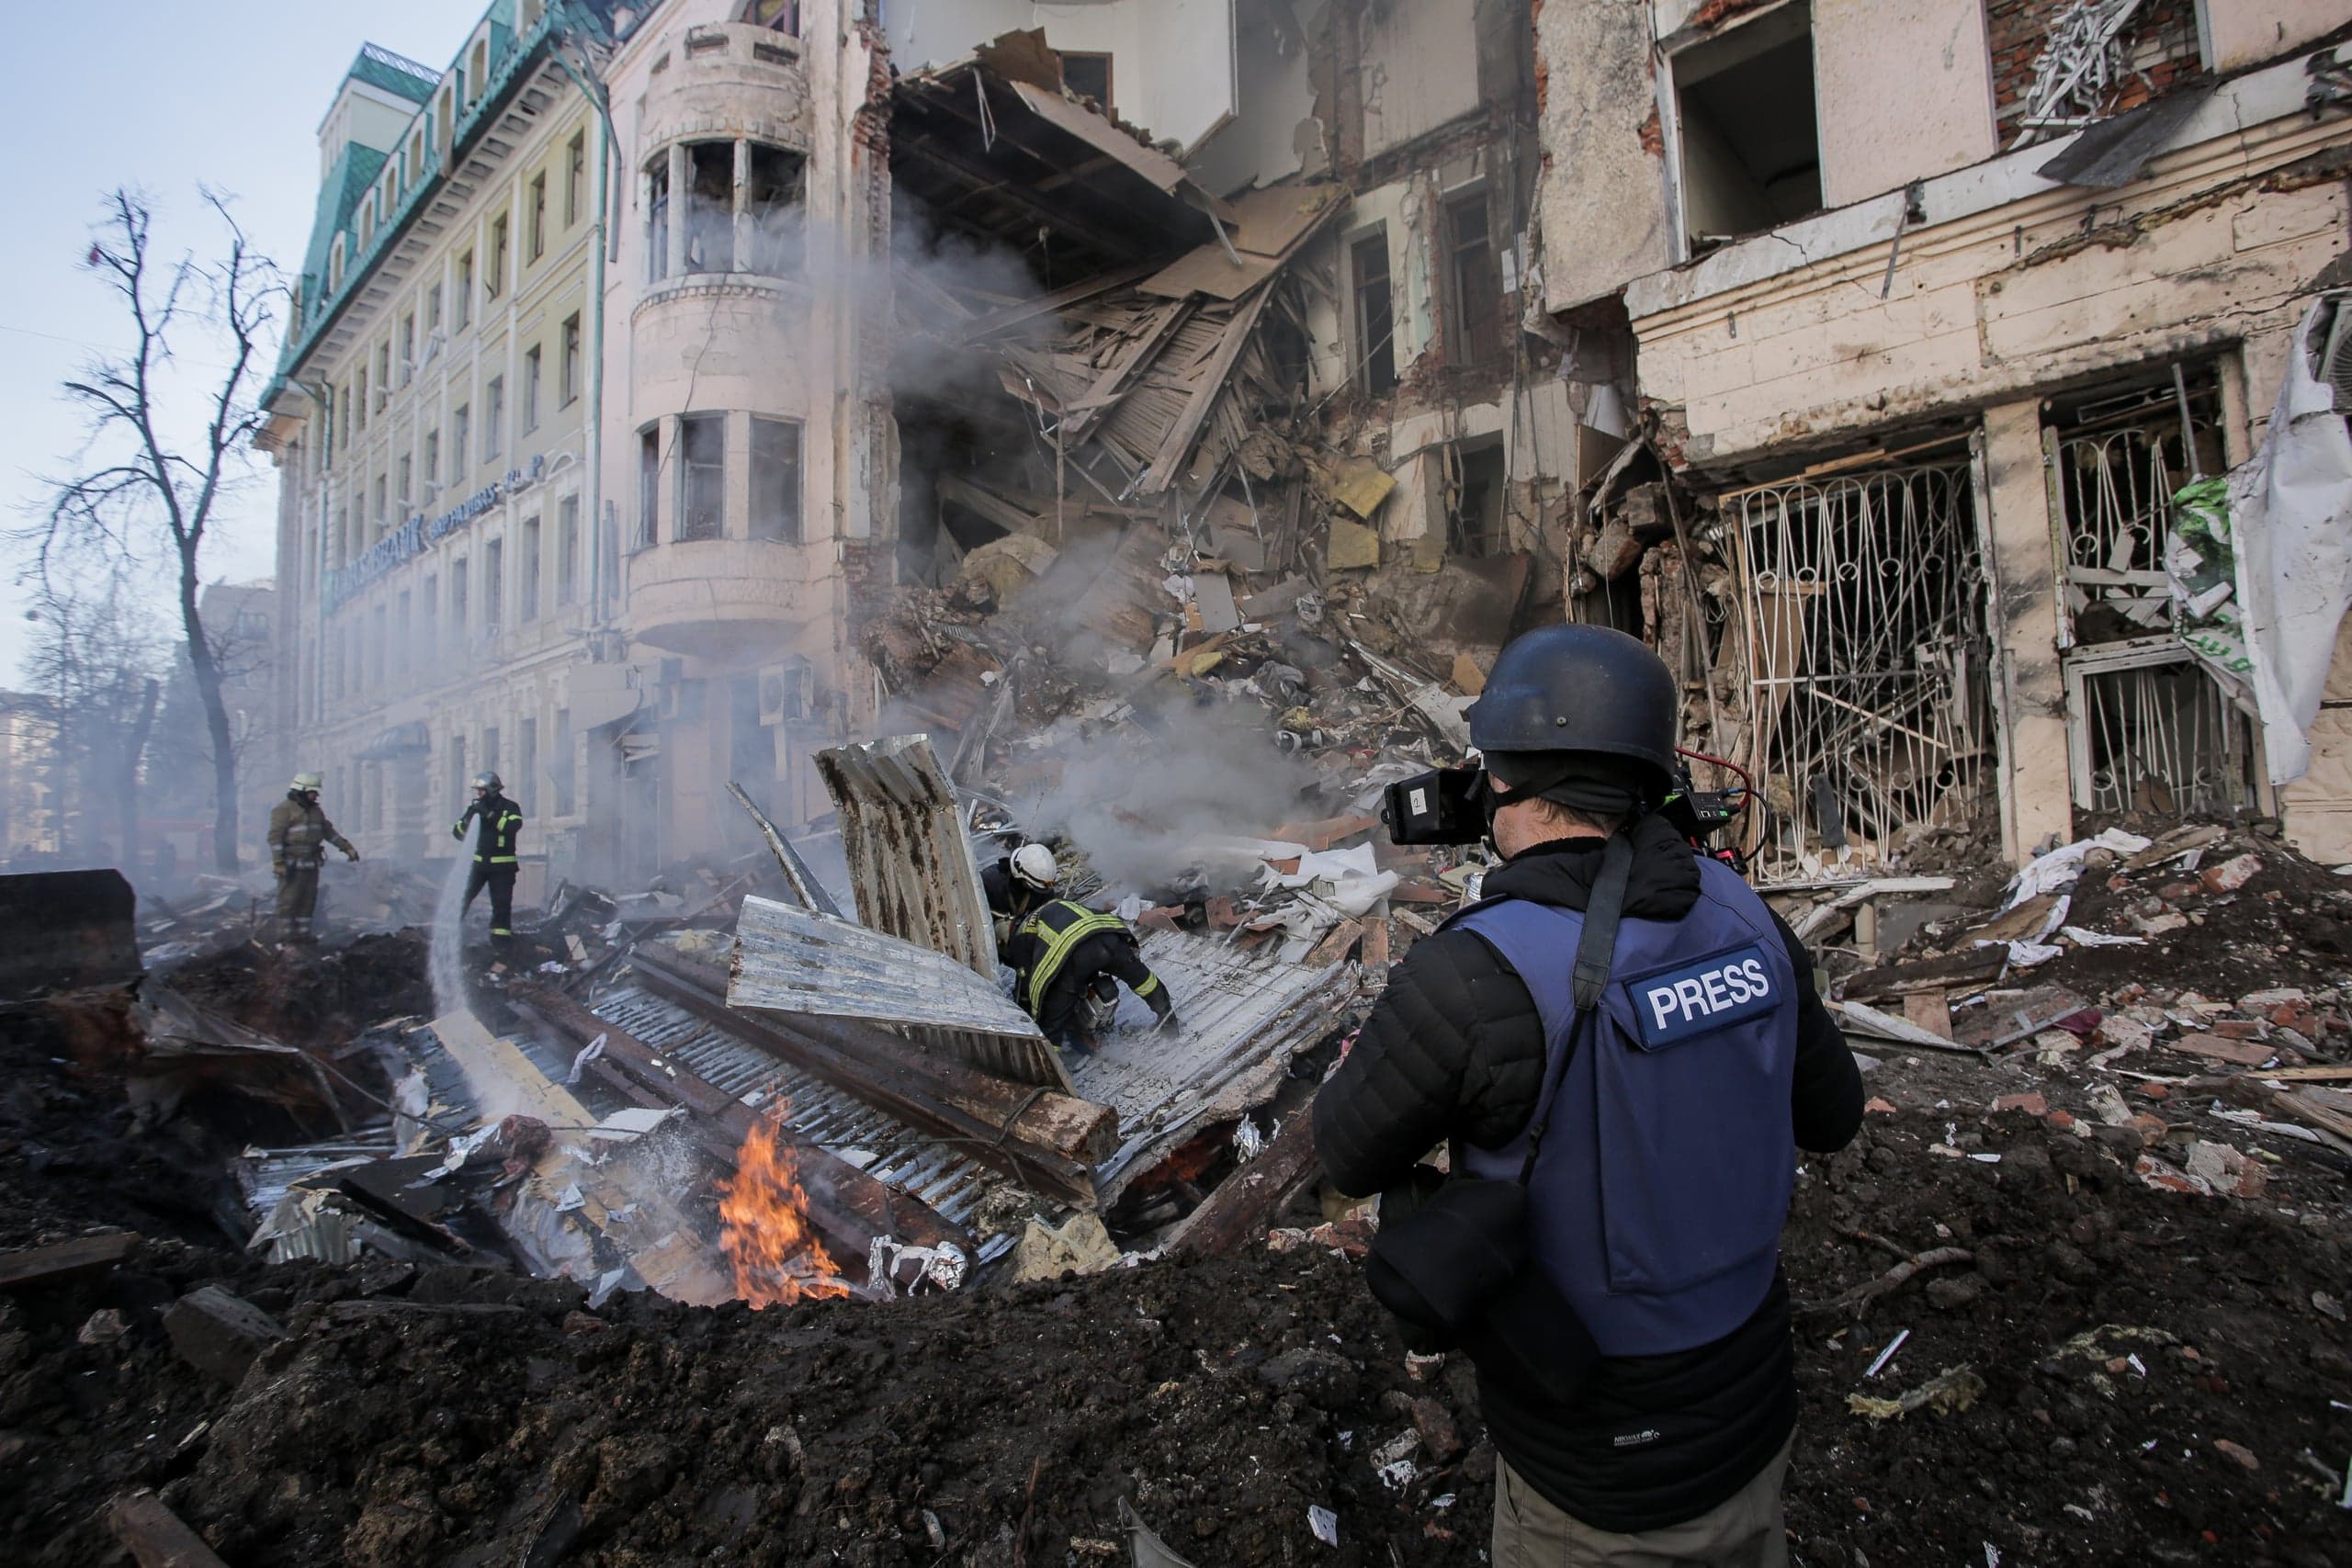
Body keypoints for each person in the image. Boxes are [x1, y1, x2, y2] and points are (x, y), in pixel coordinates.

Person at [1313, 624, 1863, 1568]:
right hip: (1748, 1402)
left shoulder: (1477, 972)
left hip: (1593, 1463)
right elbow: (1832, 1115)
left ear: (1506, 781)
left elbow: (1345, 1150)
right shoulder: (1744, 916)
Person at [996, 845, 1178, 1054]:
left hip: (1074, 957)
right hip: (1107, 937)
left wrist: (1033, 1018)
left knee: (1051, 1024)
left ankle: (1051, 1068)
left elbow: (1029, 986)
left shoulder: (1020, 938)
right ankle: (1168, 1019)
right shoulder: (1057, 905)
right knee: (1142, 979)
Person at [267, 773, 359, 945]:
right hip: (290, 866)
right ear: (301, 791)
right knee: (288, 902)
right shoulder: (283, 810)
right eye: (313, 792)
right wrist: (278, 862)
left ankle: (303, 936)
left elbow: (328, 833)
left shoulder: (316, 811)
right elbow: (275, 838)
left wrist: (347, 847)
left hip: (311, 865)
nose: (316, 795)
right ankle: (284, 939)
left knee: (308, 901)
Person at [452, 771, 524, 945]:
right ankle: (451, 930)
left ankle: (500, 940)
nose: (478, 794)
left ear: (492, 789)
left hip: (503, 868)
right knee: (463, 896)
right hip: (479, 866)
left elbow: (512, 827)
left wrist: (490, 815)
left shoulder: (509, 807)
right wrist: (469, 818)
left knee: (501, 903)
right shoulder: (476, 809)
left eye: (481, 790)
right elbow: (458, 834)